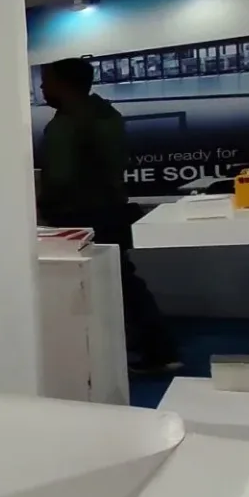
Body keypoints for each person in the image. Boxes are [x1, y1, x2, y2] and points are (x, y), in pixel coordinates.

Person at [37, 57, 181, 372]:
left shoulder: (66, 124)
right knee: (122, 281)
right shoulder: (106, 115)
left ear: (64, 84)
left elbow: (60, 176)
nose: (43, 88)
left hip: (77, 216)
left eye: (47, 81)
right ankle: (156, 348)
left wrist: (40, 204)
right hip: (111, 210)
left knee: (84, 284)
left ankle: (103, 357)